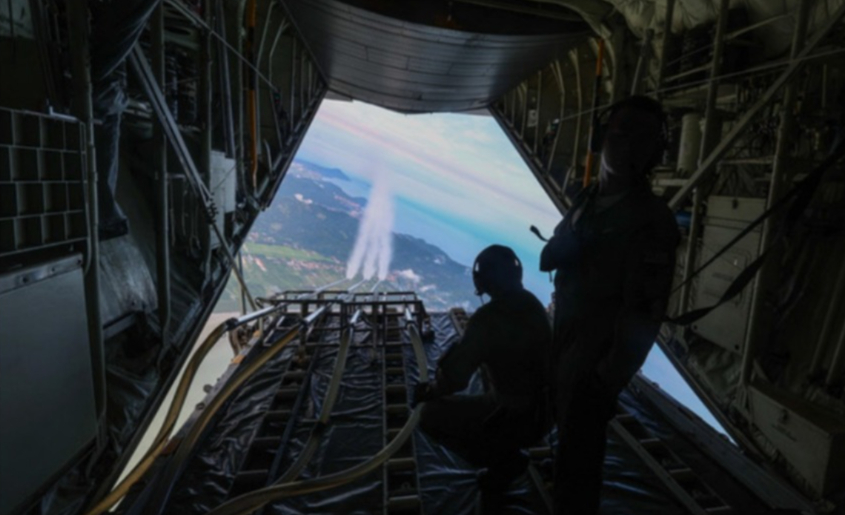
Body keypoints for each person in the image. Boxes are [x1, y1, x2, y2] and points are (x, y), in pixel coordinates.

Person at [539, 96, 680, 514]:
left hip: (595, 358)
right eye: (622, 134)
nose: (630, 146)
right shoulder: (587, 199)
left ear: (655, 153)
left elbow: (645, 315)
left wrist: (606, 380)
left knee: (580, 461)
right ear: (601, 139)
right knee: (567, 439)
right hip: (565, 338)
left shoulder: (652, 222)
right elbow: (560, 245)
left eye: (644, 140)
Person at [414, 244, 552, 512]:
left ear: (482, 281)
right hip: (547, 414)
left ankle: (503, 462)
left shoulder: (488, 318)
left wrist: (428, 391)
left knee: (430, 415)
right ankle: (507, 452)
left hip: (515, 417)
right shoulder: (534, 305)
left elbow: (454, 380)